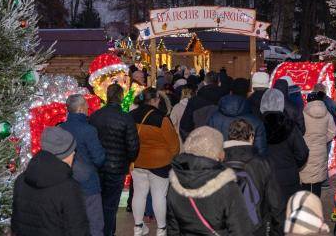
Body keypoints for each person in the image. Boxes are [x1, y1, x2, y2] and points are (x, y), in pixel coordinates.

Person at [166, 126, 254, 235]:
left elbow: (173, 228)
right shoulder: (227, 187)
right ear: (218, 154)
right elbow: (240, 230)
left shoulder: (175, 182)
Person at [11, 127, 90, 236]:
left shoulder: (20, 180)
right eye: (73, 151)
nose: (74, 154)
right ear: (65, 154)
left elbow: (16, 225)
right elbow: (79, 231)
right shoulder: (69, 188)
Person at [89, 84, 140, 236]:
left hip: (97, 166)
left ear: (107, 95)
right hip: (117, 167)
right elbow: (133, 145)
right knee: (111, 205)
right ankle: (108, 232)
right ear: (121, 97)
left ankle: (99, 231)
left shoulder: (95, 116)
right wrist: (129, 159)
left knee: (98, 203)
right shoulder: (126, 118)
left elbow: (91, 141)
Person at [129, 87, 180, 236]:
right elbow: (174, 145)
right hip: (160, 163)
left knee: (139, 194)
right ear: (155, 100)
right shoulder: (162, 118)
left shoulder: (131, 115)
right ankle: (161, 229)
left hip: (137, 161)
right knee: (159, 196)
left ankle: (138, 227)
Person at [224, 119, 284, 236]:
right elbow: (275, 203)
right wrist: (278, 231)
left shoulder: (218, 161)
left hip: (227, 227)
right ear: (251, 137)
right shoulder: (262, 163)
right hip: (256, 227)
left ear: (230, 137)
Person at [60, 94, 106, 236]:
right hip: (88, 184)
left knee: (71, 223)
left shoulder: (61, 128)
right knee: (95, 223)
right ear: (80, 109)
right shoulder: (89, 130)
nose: (88, 108)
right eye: (86, 105)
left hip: (66, 182)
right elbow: (99, 158)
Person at [261, 89, 309, 208]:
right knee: (290, 214)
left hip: (265, 177)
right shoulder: (290, 126)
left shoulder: (257, 125)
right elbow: (302, 152)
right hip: (288, 178)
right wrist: (292, 164)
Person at [208, 78, 268, 156]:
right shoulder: (256, 121)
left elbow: (209, 145)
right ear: (248, 93)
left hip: (219, 164)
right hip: (247, 165)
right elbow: (260, 152)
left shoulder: (214, 117)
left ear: (231, 92)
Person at [299, 93, 336, 197]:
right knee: (317, 183)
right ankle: (316, 206)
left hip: (306, 150)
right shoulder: (327, 113)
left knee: (306, 180)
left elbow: (299, 130)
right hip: (320, 150)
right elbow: (333, 131)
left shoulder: (303, 113)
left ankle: (306, 207)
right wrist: (322, 140)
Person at [179, 71, 224, 141]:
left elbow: (184, 127)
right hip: (219, 143)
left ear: (204, 83)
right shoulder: (225, 100)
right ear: (219, 83)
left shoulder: (194, 101)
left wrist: (191, 142)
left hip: (199, 142)